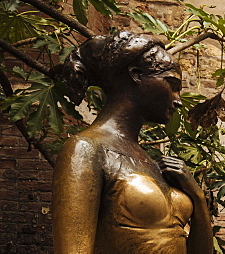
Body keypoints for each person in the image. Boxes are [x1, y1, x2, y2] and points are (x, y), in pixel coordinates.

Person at [52, 30, 213, 254]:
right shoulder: (86, 149)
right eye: (172, 85)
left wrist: (197, 197)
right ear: (136, 74)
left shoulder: (151, 162)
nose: (178, 101)